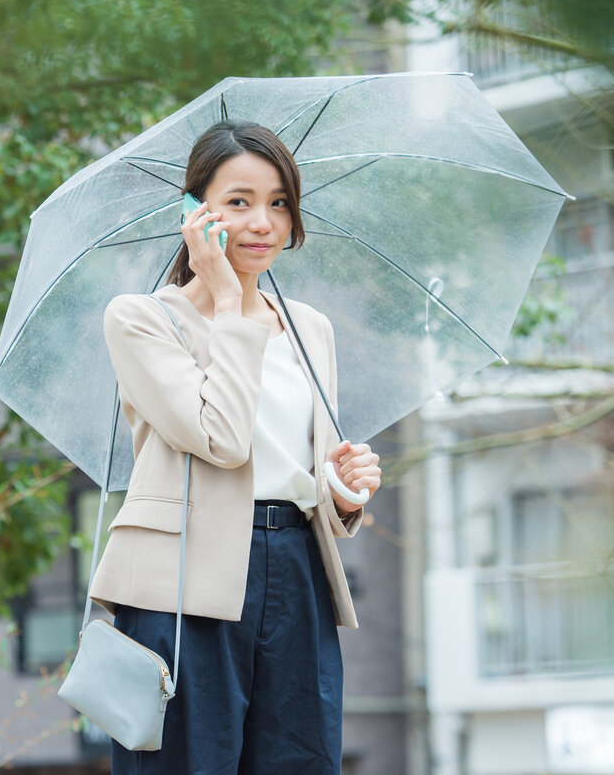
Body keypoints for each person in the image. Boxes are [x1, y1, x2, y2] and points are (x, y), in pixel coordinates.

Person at [88, 120, 381, 774]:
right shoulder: (143, 319)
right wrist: (226, 298)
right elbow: (219, 438)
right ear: (195, 212)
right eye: (240, 201)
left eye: (279, 203)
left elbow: (303, 469)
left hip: (298, 571)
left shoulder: (310, 327)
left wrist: (345, 490)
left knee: (300, 762)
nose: (263, 222)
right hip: (184, 583)